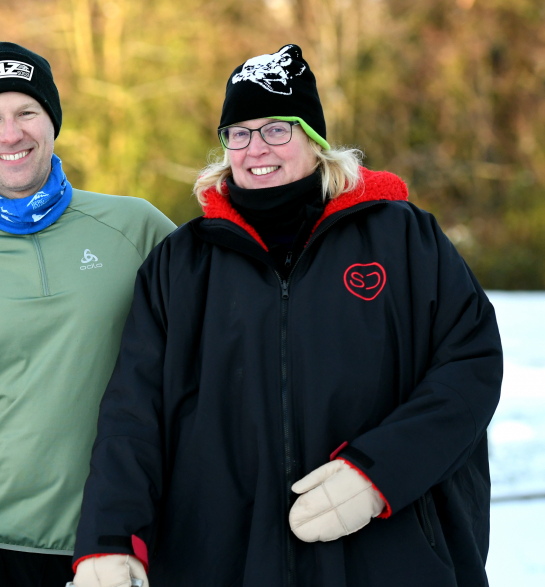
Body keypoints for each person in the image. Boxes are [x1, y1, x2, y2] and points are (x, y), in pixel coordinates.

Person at [71, 44, 502, 587]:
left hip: (387, 558)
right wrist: (110, 540)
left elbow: (471, 367)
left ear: (315, 140)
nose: (256, 149)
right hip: (224, 562)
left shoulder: (404, 239)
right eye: (239, 132)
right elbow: (133, 414)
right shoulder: (181, 266)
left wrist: (378, 475)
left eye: (277, 128)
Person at [0, 42, 176, 587]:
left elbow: (215, 349)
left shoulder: (137, 229)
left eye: (27, 112)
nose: (10, 133)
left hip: (122, 544)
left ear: (52, 122)